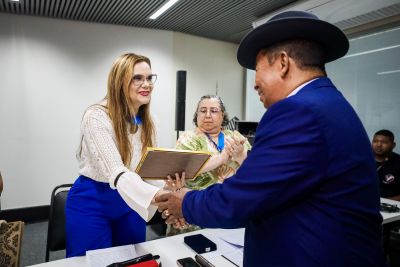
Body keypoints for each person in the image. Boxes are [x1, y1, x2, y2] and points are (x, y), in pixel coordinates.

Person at [156, 11, 386, 266]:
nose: (256, 85)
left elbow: (240, 198)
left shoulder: (298, 111)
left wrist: (185, 202)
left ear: (283, 63)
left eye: (258, 68)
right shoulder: (330, 104)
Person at [66, 53, 175, 257]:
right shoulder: (97, 116)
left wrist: (167, 200)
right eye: (137, 78)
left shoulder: (150, 121)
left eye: (150, 78)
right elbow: (117, 172)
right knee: (94, 261)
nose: (147, 84)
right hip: (93, 200)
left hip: (131, 200)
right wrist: (159, 196)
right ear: (119, 81)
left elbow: (148, 172)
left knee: (133, 259)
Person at [167, 95, 251, 235]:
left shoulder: (235, 137)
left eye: (213, 111)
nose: (207, 115)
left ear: (222, 115)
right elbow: (183, 170)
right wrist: (222, 158)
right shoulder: (189, 138)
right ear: (197, 114)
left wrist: (241, 156)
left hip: (230, 209)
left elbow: (253, 170)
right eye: (203, 110)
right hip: (196, 210)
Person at [372, 129, 400, 201]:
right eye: (375, 141)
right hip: (365, 204)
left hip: (392, 206)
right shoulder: (363, 160)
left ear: (393, 145)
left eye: (384, 142)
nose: (379, 145)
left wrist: (384, 202)